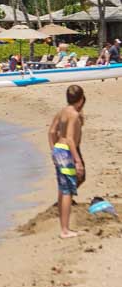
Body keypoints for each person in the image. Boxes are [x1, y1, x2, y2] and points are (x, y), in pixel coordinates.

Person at [48, 85, 86, 238]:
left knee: (62, 187)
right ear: (81, 99)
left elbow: (51, 131)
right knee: (68, 190)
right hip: (66, 152)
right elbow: (70, 138)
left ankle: (64, 227)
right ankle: (65, 230)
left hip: (58, 149)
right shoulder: (74, 114)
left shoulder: (62, 111)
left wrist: (53, 149)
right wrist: (78, 161)